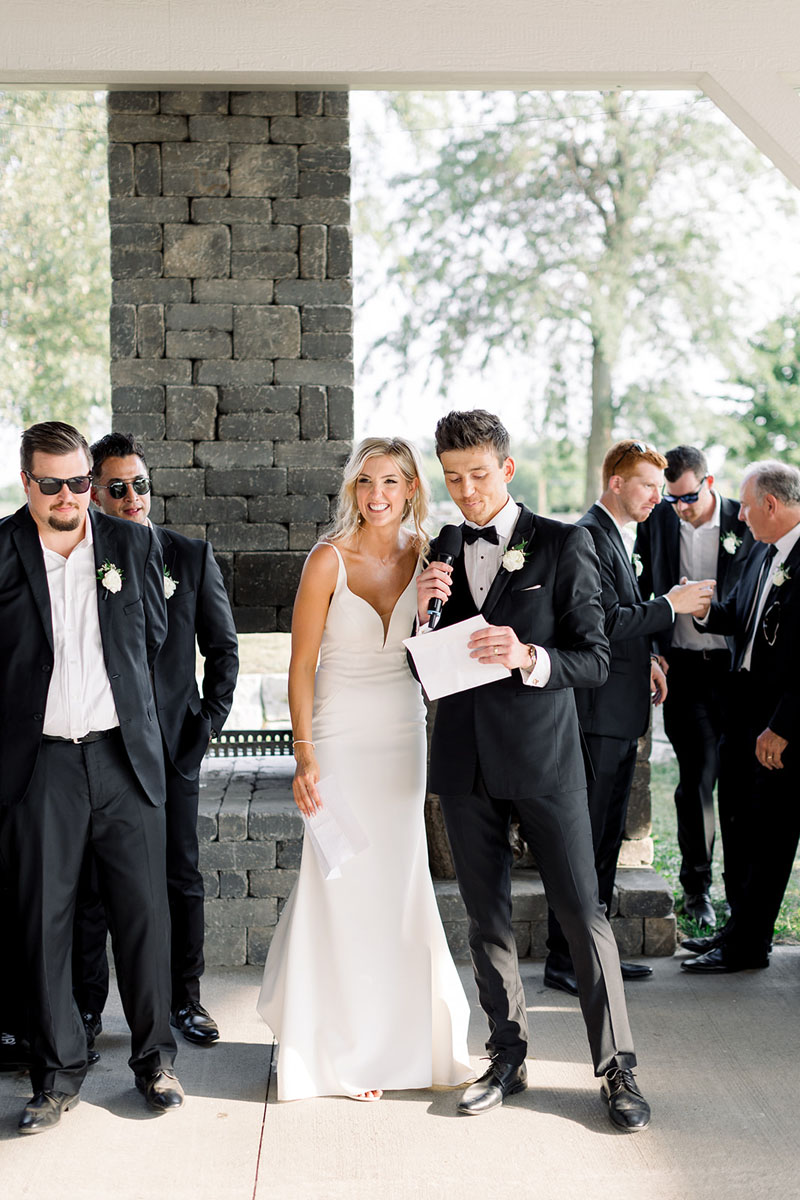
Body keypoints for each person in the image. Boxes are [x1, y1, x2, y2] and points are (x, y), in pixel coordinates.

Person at [416, 409, 650, 1132]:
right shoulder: (443, 545)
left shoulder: (564, 543)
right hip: (463, 763)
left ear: (507, 470)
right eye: (453, 479)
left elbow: (594, 656)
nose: (467, 492)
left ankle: (617, 1071)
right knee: (485, 919)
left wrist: (527, 657)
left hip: (546, 763)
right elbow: (423, 667)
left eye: (479, 475)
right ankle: (507, 1056)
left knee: (582, 915)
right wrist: (422, 615)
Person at [257, 436, 472, 1101]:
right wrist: (304, 753)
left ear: (411, 487)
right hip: (338, 739)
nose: (376, 495)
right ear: (353, 489)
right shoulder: (327, 560)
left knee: (398, 883)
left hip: (403, 736)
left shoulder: (431, 556)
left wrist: (440, 601)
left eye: (390, 482)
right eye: (364, 482)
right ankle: (337, 1052)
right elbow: (300, 666)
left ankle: (403, 1048)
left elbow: (444, 660)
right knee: (339, 880)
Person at [0, 421, 182, 1135]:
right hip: (39, 764)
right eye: (54, 485)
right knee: (43, 922)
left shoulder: (134, 544)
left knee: (144, 916)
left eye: (80, 482)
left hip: (121, 758)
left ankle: (155, 1060)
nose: (71, 496)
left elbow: (155, 637)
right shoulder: (3, 550)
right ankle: (57, 1074)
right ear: (28, 484)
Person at [72, 433, 239, 1048]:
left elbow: (223, 650)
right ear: (93, 491)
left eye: (139, 484)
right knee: (92, 886)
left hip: (171, 749)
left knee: (179, 876)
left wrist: (204, 727)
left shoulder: (189, 556)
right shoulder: (77, 558)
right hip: (100, 750)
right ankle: (87, 1009)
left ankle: (185, 1001)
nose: (132, 497)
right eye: (117, 487)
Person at [544, 439, 715, 996]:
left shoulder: (621, 534)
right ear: (615, 482)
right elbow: (598, 623)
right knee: (585, 838)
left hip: (620, 709)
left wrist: (649, 658)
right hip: (595, 713)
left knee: (605, 838)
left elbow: (617, 623)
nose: (656, 496)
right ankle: (563, 959)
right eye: (645, 485)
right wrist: (671, 606)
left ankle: (591, 952)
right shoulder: (587, 536)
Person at [681, 460, 800, 974]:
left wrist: (784, 726)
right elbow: (736, 616)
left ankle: (750, 948)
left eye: (748, 507)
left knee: (771, 837)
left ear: (771, 505)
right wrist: (703, 608)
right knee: (738, 823)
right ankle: (737, 929)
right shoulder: (759, 550)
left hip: (782, 722)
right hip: (743, 712)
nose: (741, 516)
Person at [635, 446, 754, 931]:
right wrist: (650, 650)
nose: (678, 507)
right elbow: (640, 587)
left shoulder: (741, 523)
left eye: (686, 497)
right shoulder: (659, 521)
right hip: (682, 667)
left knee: (740, 786)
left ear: (708, 483)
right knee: (695, 784)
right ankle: (697, 891)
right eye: (670, 498)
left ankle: (741, 892)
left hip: (735, 672)